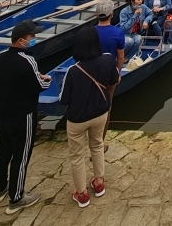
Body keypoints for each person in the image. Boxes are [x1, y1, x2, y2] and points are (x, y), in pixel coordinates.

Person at [0, 20, 50, 214]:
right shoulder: (28, 60)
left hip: (3, 112)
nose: (34, 39)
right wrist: (46, 80)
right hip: (23, 115)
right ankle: (16, 197)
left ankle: (0, 188)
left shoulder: (0, 59)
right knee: (21, 156)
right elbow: (38, 86)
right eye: (31, 37)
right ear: (21, 40)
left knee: (4, 150)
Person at [59, 26, 118, 209]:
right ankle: (99, 182)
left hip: (78, 119)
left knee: (77, 156)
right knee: (97, 145)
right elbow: (114, 80)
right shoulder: (108, 60)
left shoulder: (73, 71)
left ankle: (82, 194)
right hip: (100, 113)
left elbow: (64, 99)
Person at [93, 0, 128, 68]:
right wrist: (117, 74)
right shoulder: (118, 32)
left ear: (96, 15)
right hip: (109, 69)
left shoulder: (90, 32)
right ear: (111, 14)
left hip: (93, 69)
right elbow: (120, 58)